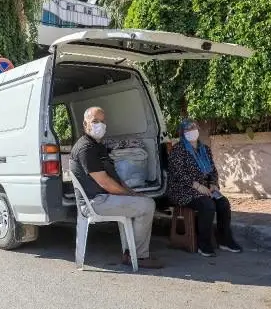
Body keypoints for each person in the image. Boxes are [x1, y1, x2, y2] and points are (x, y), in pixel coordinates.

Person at [70, 106, 163, 269]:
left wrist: (131, 192)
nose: (100, 125)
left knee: (143, 202)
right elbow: (105, 182)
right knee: (147, 206)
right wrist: (131, 196)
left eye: (102, 121)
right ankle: (139, 256)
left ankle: (131, 251)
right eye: (95, 121)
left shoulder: (97, 146)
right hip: (95, 202)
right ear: (85, 125)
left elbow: (115, 178)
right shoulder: (86, 148)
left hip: (105, 197)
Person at [167, 119, 242, 257]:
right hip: (182, 189)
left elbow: (213, 170)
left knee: (223, 203)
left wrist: (213, 184)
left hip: (205, 188)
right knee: (207, 205)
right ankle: (204, 244)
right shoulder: (178, 150)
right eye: (188, 129)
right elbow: (178, 173)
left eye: (193, 128)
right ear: (183, 133)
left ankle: (225, 240)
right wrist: (197, 186)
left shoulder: (204, 149)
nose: (191, 132)